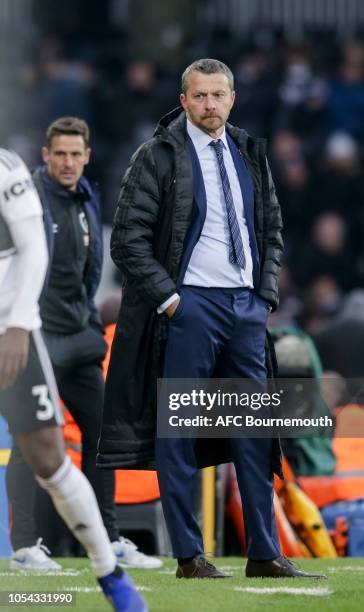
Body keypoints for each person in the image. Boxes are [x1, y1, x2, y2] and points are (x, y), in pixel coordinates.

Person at [98, 58, 326, 579]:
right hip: (190, 306)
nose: (210, 105)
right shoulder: (155, 156)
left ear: (232, 98)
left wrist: (263, 295)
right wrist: (172, 299)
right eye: (199, 96)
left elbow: (271, 229)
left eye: (218, 95)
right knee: (178, 433)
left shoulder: (250, 152)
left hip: (245, 308)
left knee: (254, 432)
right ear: (183, 100)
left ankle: (263, 553)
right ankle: (189, 555)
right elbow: (127, 241)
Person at [5, 118, 162, 571]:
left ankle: (110, 538)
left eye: (77, 154)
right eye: (61, 154)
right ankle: (25, 547)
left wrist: (90, 327)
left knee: (103, 437)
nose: (69, 162)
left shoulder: (85, 198)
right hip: (40, 337)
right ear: (46, 155)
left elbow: (90, 273)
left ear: (87, 156)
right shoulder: (28, 198)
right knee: (27, 442)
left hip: (80, 339)